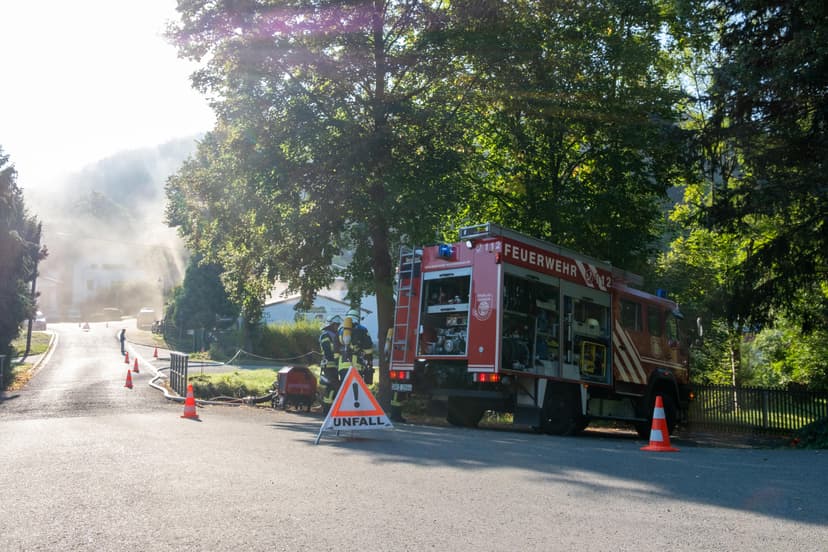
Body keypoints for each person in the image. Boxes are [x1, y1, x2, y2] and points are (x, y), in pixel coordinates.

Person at [338, 308, 374, 384]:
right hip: (356, 366)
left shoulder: (341, 330)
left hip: (342, 366)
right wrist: (369, 361)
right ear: (358, 318)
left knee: (345, 388)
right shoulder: (362, 330)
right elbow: (368, 349)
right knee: (355, 389)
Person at [318, 314, 342, 415]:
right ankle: (327, 410)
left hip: (336, 365)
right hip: (329, 365)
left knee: (334, 387)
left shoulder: (336, 335)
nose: (337, 326)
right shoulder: (325, 335)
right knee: (331, 386)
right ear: (330, 325)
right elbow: (327, 350)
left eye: (338, 325)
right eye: (335, 324)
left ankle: (330, 409)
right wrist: (336, 360)